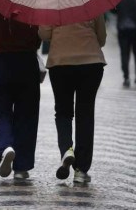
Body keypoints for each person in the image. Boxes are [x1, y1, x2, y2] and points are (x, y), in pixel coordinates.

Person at [39, 15, 106, 184]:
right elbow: (102, 38)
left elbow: (44, 34)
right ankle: (81, 170)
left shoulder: (52, 1)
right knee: (85, 114)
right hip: (91, 63)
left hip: (60, 63)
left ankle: (66, 150)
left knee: (63, 112)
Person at [0, 9, 42, 180]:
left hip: (1, 62)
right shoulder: (33, 7)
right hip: (27, 63)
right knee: (27, 115)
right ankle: (22, 167)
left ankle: (6, 147)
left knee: (0, 111)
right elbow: (38, 40)